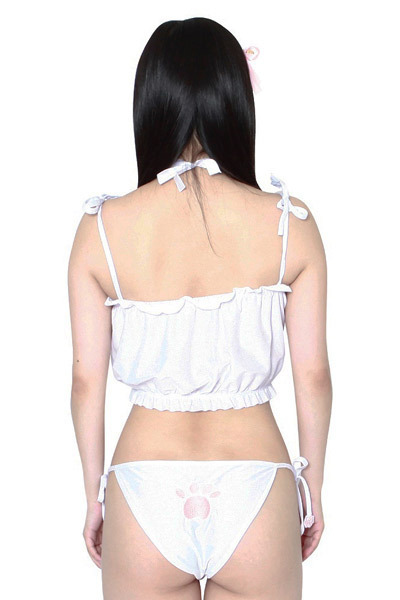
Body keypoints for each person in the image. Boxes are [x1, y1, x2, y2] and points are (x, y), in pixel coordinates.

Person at [68, 16, 332, 600]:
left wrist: (94, 495)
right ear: (236, 101)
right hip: (257, 483)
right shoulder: (290, 224)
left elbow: (86, 382)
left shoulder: (101, 230)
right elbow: (313, 374)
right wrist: (311, 488)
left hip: (143, 485)